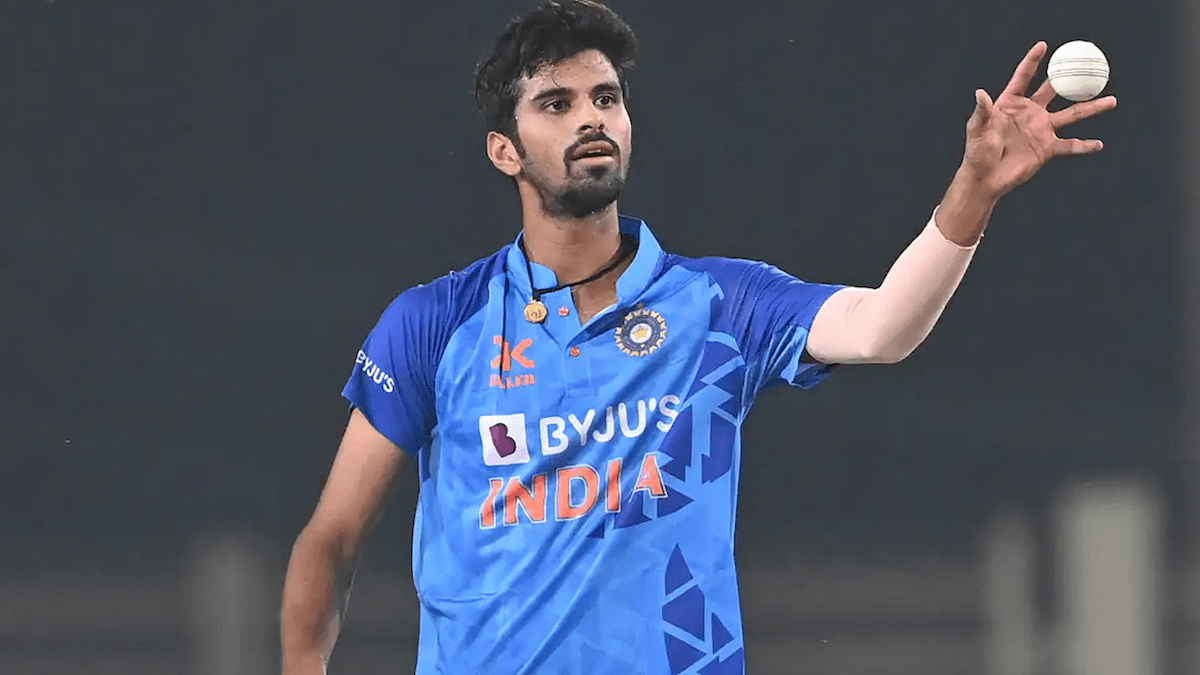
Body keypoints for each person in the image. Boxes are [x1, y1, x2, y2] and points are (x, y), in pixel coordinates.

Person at [279, 2, 1116, 673]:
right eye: (556, 104)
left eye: (606, 98)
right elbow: (332, 537)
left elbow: (882, 329)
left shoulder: (717, 304)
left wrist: (973, 190)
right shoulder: (435, 323)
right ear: (505, 150)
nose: (590, 118)